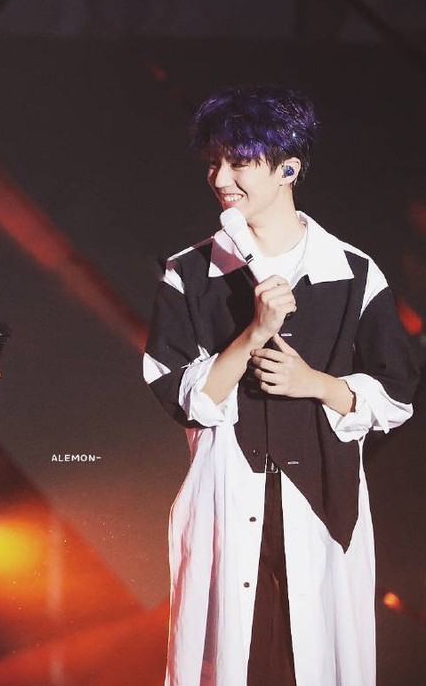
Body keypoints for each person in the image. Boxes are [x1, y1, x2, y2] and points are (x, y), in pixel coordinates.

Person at [143, 86, 419, 686]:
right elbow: (179, 394)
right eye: (213, 162)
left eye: (239, 162)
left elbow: (397, 394)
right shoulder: (190, 271)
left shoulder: (352, 272)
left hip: (323, 505)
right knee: (234, 661)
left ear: (288, 169)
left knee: (311, 662)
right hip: (227, 498)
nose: (221, 178)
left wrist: (314, 383)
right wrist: (252, 334)